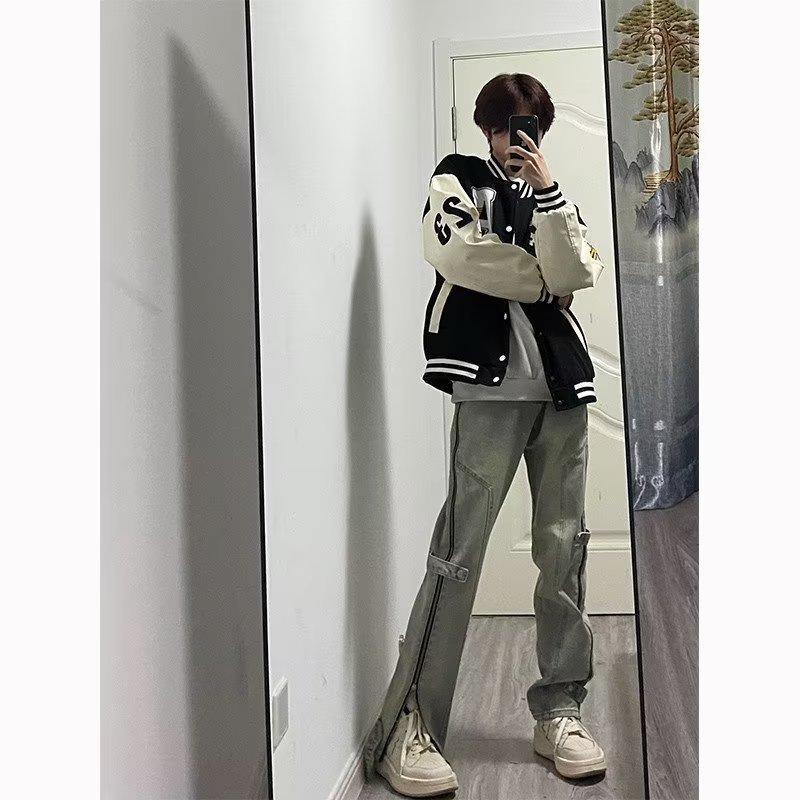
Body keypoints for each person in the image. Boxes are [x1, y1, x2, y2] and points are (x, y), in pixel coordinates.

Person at [363, 73, 607, 797]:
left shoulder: (554, 197)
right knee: (459, 555)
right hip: (490, 393)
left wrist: (550, 200)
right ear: (484, 128)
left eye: (528, 125)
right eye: (503, 125)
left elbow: (579, 269)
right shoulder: (456, 179)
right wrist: (543, 280)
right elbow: (461, 256)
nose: (514, 138)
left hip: (562, 394)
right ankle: (411, 722)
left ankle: (559, 710)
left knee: (564, 551)